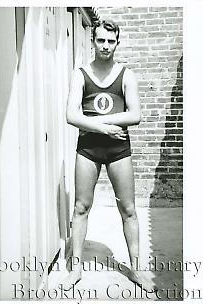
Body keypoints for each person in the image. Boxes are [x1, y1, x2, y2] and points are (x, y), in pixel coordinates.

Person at [64, 20, 154, 292]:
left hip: (118, 149)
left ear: (117, 43)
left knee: (128, 209)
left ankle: (137, 270)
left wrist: (100, 120)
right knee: (81, 207)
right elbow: (70, 115)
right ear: (92, 41)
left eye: (110, 41)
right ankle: (75, 269)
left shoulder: (126, 75)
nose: (105, 46)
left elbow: (135, 115)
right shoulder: (81, 74)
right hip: (89, 148)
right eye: (100, 40)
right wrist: (103, 126)